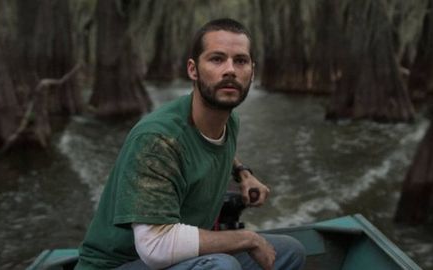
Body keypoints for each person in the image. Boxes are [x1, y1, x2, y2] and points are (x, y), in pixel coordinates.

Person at [75, 18, 305, 270]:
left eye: (240, 61)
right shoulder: (156, 139)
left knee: (290, 251)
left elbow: (212, 146)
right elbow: (155, 246)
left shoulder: (229, 121)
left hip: (177, 259)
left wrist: (243, 173)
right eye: (217, 59)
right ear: (193, 70)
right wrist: (247, 238)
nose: (230, 70)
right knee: (220, 266)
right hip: (122, 263)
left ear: (252, 71)